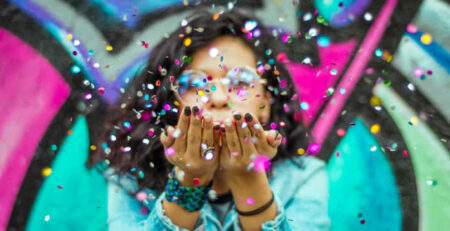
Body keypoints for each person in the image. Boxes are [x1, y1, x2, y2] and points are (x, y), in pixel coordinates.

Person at [89, 8, 330, 231]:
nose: (218, 97)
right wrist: (189, 182)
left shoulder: (303, 177)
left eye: (240, 82)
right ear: (172, 104)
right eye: (195, 84)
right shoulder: (131, 180)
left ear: (265, 104)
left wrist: (249, 178)